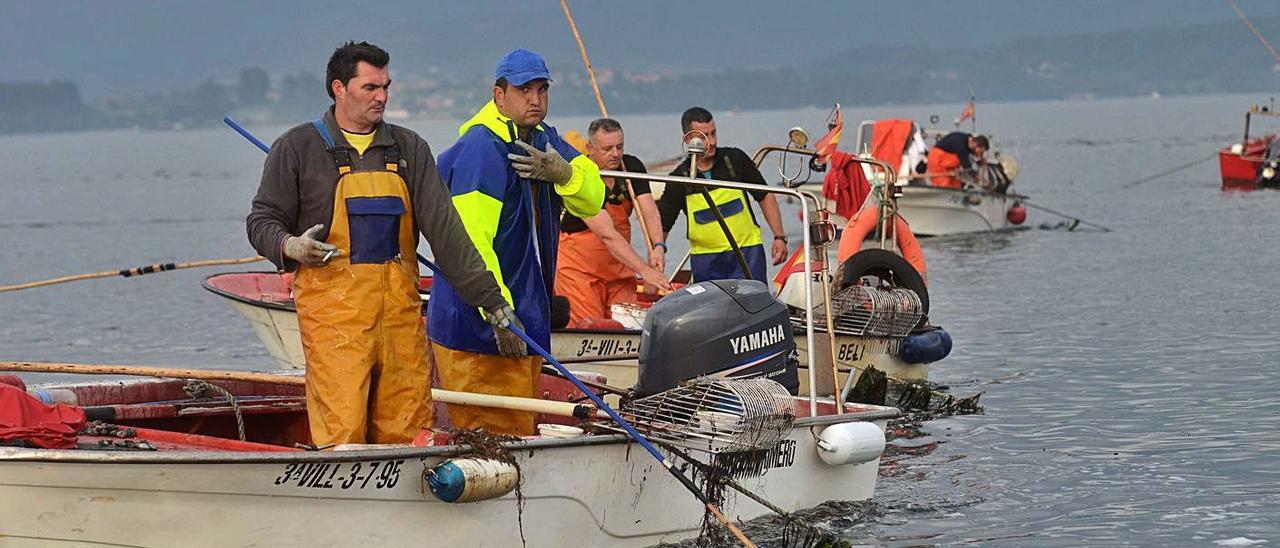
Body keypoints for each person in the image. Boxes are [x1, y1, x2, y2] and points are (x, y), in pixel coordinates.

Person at [245, 41, 515, 447]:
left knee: (409, 431)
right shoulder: (298, 148)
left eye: (386, 86)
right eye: (370, 87)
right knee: (342, 432)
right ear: (339, 88)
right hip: (336, 325)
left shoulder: (408, 149)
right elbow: (260, 222)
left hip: (401, 324)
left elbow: (448, 234)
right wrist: (291, 246)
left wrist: (491, 302)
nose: (382, 97)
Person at [429, 48, 606, 436]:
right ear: (499, 95)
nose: (535, 99)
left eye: (542, 89)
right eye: (524, 90)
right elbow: (470, 243)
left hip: (525, 324)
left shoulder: (544, 140)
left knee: (518, 437)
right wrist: (497, 312)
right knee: (489, 443)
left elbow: (595, 198)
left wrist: (565, 175)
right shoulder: (481, 149)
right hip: (479, 331)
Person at [556, 117, 670, 325]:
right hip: (579, 269)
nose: (615, 154)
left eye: (620, 147)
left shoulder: (630, 167)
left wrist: (657, 247)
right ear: (590, 148)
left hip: (620, 267)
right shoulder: (580, 177)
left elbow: (649, 211)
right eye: (607, 149)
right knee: (590, 325)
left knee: (629, 323)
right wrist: (645, 271)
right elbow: (607, 235)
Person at [657, 106, 788, 283]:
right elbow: (663, 224)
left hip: (747, 253)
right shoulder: (679, 179)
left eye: (713, 133)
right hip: (706, 260)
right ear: (687, 139)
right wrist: (657, 255)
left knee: (752, 299)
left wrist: (779, 237)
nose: (711, 142)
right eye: (704, 136)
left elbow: (765, 196)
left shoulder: (736, 159)